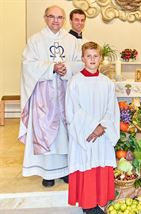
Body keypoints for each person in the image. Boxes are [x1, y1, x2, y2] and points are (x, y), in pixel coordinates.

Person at [19, 5, 83, 187]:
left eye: (60, 17)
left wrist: (67, 68)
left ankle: (65, 170)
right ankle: (47, 173)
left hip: (66, 93)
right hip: (43, 97)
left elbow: (80, 62)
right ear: (45, 18)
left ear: (64, 20)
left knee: (65, 132)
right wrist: (51, 68)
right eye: (52, 17)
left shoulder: (72, 40)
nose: (56, 21)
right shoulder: (35, 41)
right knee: (47, 133)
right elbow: (27, 65)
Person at [66, 41, 120, 214]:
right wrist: (92, 127)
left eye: (95, 56)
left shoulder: (107, 83)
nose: (92, 59)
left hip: (102, 133)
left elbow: (112, 109)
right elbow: (73, 110)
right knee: (86, 165)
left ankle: (99, 200)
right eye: (88, 56)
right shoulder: (75, 82)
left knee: (99, 165)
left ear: (100, 59)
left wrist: (102, 126)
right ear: (82, 58)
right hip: (85, 134)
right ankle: (88, 205)